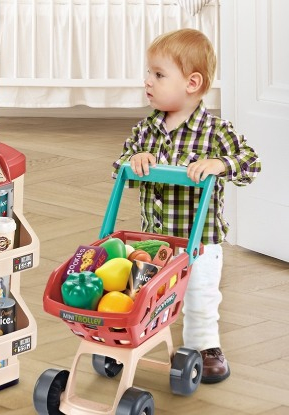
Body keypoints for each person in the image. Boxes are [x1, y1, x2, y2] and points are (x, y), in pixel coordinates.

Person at [112, 28, 261, 384]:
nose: (147, 81)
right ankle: (134, 338)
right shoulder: (145, 130)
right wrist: (135, 161)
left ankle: (203, 346)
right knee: (144, 293)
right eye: (148, 72)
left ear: (192, 83)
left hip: (201, 243)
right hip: (155, 243)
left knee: (200, 295)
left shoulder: (216, 132)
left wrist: (221, 165)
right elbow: (119, 167)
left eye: (158, 75)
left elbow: (250, 162)